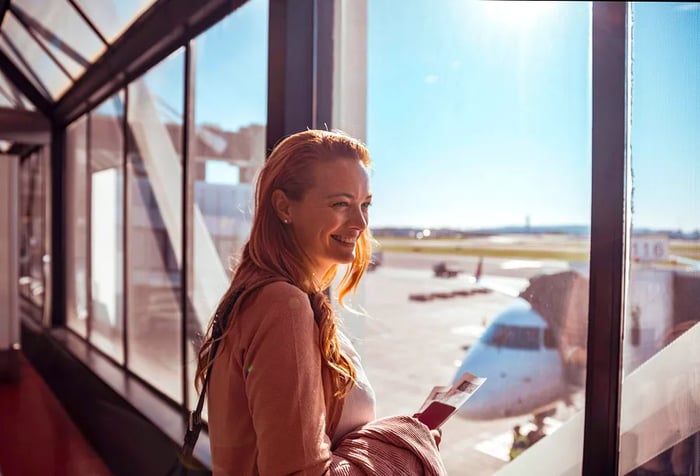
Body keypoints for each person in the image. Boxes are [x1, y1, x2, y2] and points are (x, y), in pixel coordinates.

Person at [195, 130, 445, 475]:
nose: (360, 224)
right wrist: (404, 443)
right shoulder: (283, 305)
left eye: (365, 204)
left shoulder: (258, 294)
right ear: (285, 207)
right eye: (340, 204)